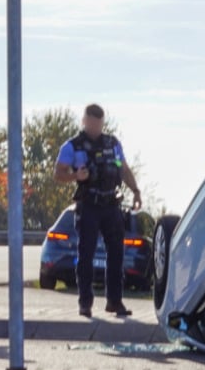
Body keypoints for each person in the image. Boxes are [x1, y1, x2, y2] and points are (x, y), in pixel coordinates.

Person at [54, 104, 142, 318]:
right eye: (92, 122)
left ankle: (115, 301)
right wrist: (76, 176)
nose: (95, 127)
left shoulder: (112, 144)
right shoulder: (72, 146)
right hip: (89, 204)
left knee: (116, 254)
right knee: (86, 255)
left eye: (99, 123)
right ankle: (85, 303)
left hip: (111, 204)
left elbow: (123, 168)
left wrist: (136, 191)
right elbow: (58, 174)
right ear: (84, 121)